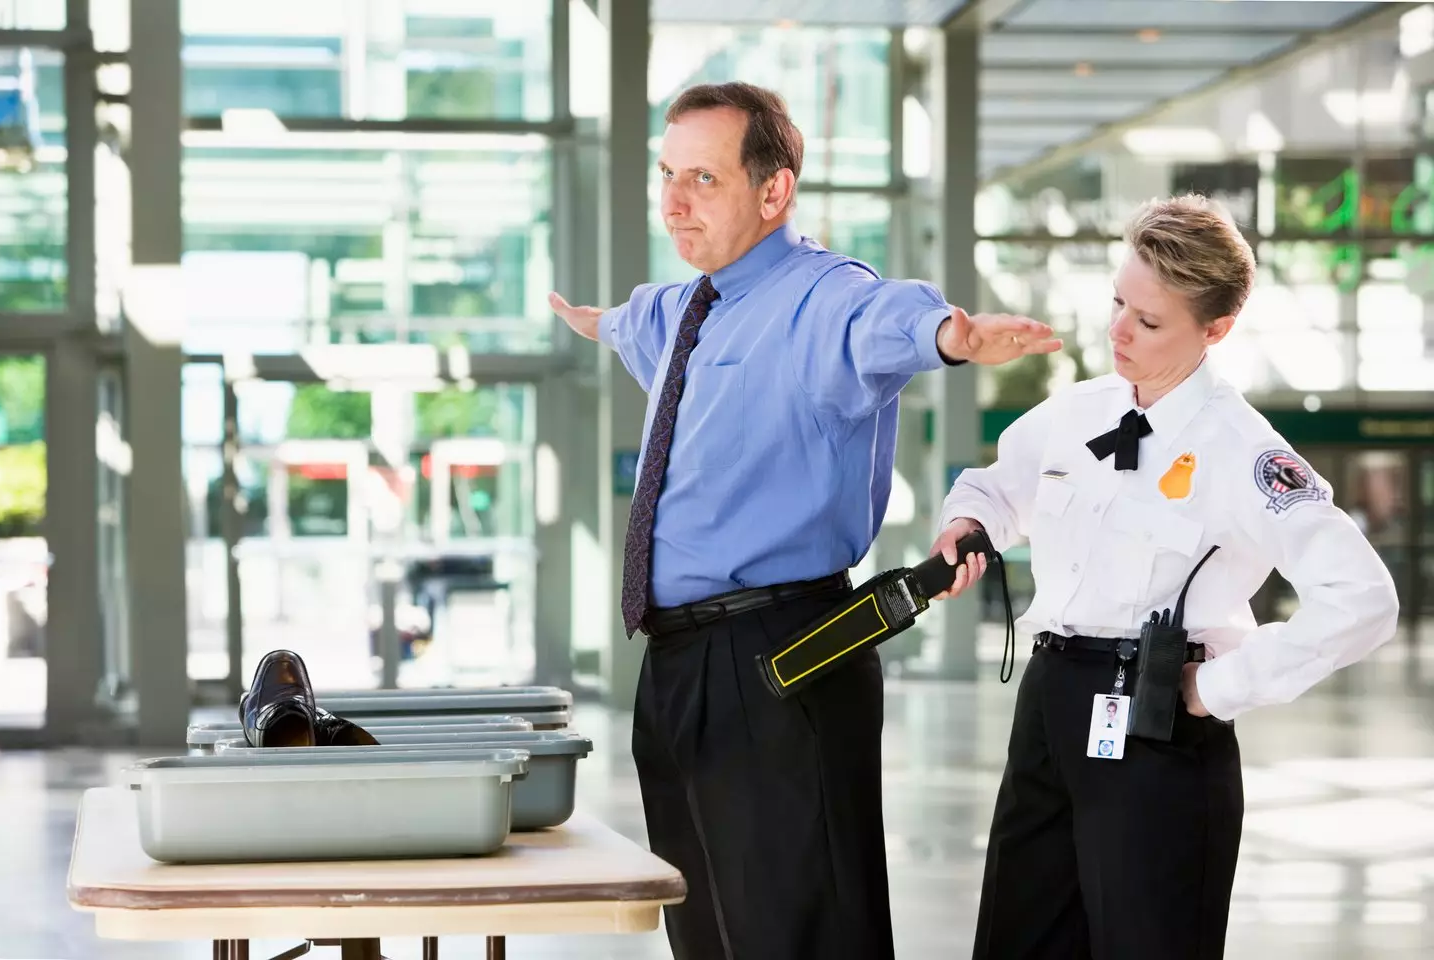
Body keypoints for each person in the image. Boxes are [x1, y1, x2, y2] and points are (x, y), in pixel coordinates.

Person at [548, 81, 1059, 960]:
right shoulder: (684, 310)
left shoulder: (825, 299)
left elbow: (890, 319)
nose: (674, 202)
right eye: (667, 174)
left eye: (703, 179)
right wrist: (591, 323)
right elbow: (629, 324)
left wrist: (953, 337)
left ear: (773, 190)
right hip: (674, 665)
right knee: (705, 928)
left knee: (799, 930)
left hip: (780, 656)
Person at [929, 194, 1400, 960]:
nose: (1118, 331)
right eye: (1118, 302)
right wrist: (967, 524)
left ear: (1216, 330)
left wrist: (1220, 687)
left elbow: (1364, 600)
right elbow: (994, 489)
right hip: (1049, 708)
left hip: (1159, 724)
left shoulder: (1245, 452)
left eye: (1148, 322)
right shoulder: (1077, 410)